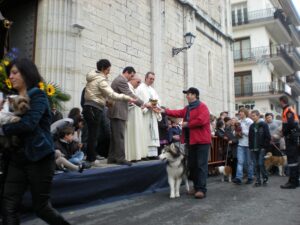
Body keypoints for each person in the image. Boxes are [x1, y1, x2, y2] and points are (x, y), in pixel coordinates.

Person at [0, 58, 70, 224]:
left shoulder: (38, 94)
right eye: (10, 73)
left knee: (41, 208)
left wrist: (3, 128)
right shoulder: (13, 99)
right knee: (8, 206)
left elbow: (28, 124)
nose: (11, 76)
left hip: (39, 158)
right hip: (17, 159)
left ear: (27, 73)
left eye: (15, 72)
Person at [82, 59, 135, 167]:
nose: (109, 72)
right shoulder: (101, 80)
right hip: (94, 108)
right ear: (103, 69)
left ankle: (92, 158)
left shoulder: (93, 78)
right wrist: (128, 97)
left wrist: (106, 102)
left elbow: (96, 95)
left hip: (91, 107)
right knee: (93, 135)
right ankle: (90, 159)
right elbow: (112, 94)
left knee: (92, 134)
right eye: (108, 70)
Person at [161, 87, 211, 199]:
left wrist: (187, 124)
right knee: (192, 165)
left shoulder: (202, 107)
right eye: (187, 94)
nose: (187, 96)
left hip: (202, 141)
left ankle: (201, 189)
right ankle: (196, 186)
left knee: (201, 166)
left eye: (189, 94)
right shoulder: (187, 108)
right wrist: (164, 111)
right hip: (191, 141)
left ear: (195, 95)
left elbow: (202, 121)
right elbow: (177, 112)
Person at [107, 66, 144, 166]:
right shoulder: (121, 80)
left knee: (115, 137)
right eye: (131, 76)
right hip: (118, 112)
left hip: (116, 111)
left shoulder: (118, 79)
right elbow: (129, 94)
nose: (131, 78)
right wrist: (142, 103)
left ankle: (112, 157)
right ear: (127, 72)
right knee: (119, 136)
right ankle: (120, 158)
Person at [136, 72, 161, 158]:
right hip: (144, 115)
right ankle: (145, 154)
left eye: (153, 79)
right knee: (145, 134)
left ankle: (153, 154)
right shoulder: (139, 88)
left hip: (152, 115)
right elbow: (137, 101)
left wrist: (156, 106)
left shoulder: (153, 90)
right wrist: (147, 106)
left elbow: (158, 101)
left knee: (152, 134)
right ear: (146, 78)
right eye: (150, 78)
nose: (152, 80)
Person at [124, 75, 148, 161]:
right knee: (131, 135)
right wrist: (141, 105)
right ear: (132, 80)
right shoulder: (127, 87)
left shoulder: (134, 89)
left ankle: (135, 156)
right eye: (138, 82)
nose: (139, 84)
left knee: (136, 135)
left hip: (136, 115)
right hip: (131, 115)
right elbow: (128, 101)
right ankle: (131, 156)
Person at [279, 95, 299, 189]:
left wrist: (283, 132)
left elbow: (290, 124)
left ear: (282, 101)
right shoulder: (289, 110)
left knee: (292, 160)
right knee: (294, 160)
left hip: (291, 138)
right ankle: (295, 181)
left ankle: (293, 182)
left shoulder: (288, 110)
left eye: (280, 102)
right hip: (292, 137)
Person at [249, 110, 271, 187]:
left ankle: (265, 177)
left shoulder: (264, 125)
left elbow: (268, 137)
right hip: (253, 149)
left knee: (261, 164)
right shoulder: (251, 126)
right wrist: (250, 147)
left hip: (261, 148)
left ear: (258, 116)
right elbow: (250, 138)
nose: (252, 117)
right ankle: (258, 180)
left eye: (254, 115)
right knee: (255, 165)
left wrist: (264, 147)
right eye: (252, 116)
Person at [232, 107, 254, 185]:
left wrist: (242, 131)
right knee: (240, 162)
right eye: (239, 112)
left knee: (249, 162)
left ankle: (250, 177)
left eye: (241, 112)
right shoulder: (239, 122)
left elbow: (251, 133)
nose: (240, 114)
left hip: (248, 145)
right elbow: (235, 133)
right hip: (240, 144)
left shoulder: (250, 121)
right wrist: (236, 132)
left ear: (245, 113)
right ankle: (239, 178)